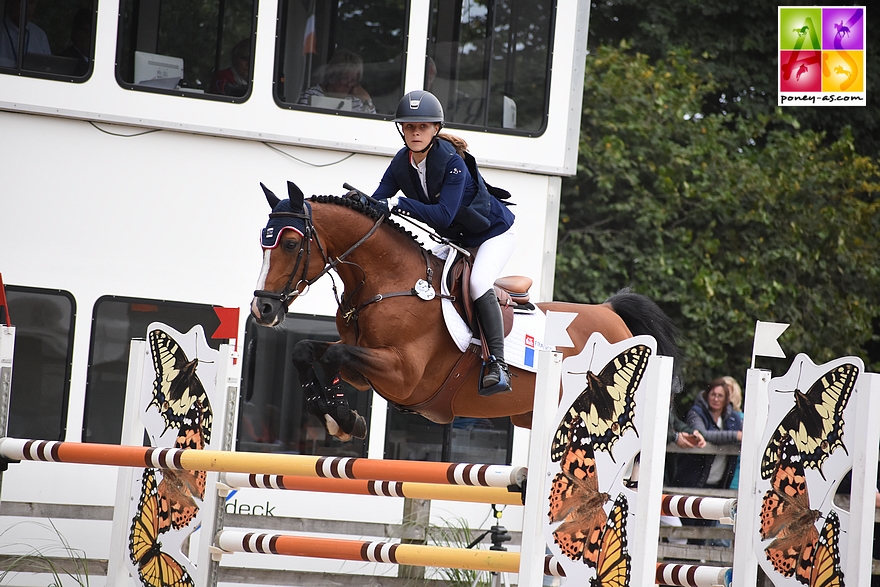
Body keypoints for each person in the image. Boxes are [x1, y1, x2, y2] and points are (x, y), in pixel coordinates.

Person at [369, 90, 516, 395]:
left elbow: (444, 215)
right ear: (402, 130)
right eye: (409, 127)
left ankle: (497, 365)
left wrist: (399, 204)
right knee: (425, 277)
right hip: (457, 240)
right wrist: (355, 205)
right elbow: (378, 199)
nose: (416, 133)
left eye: (422, 127)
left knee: (477, 285)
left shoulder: (451, 162)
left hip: (492, 235)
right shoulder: (401, 162)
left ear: (435, 129)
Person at [298, 49, 376, 113]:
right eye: (344, 78)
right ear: (332, 77)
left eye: (353, 80)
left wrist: (367, 100)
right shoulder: (311, 96)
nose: (349, 85)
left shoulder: (357, 101)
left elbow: (374, 126)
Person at [1, 0, 51, 68]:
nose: (27, 8)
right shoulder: (2, 30)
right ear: (11, 3)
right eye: (22, 2)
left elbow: (47, 68)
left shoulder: (40, 36)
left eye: (31, 3)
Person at [59, 7, 91, 76]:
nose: (90, 37)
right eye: (87, 32)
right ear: (75, 32)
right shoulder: (66, 61)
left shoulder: (97, 62)